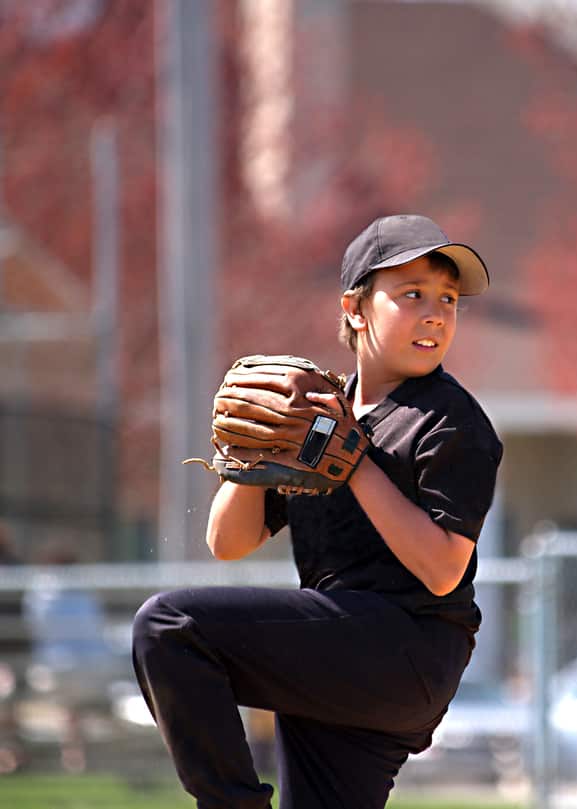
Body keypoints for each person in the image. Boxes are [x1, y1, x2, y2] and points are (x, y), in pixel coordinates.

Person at [132, 214, 503, 809]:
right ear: (355, 309)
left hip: (403, 650)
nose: (435, 313)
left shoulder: (450, 422)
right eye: (411, 294)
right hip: (333, 653)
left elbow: (442, 570)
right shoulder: (321, 417)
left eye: (449, 299)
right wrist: (252, 459)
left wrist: (356, 465)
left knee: (171, 627)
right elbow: (228, 542)